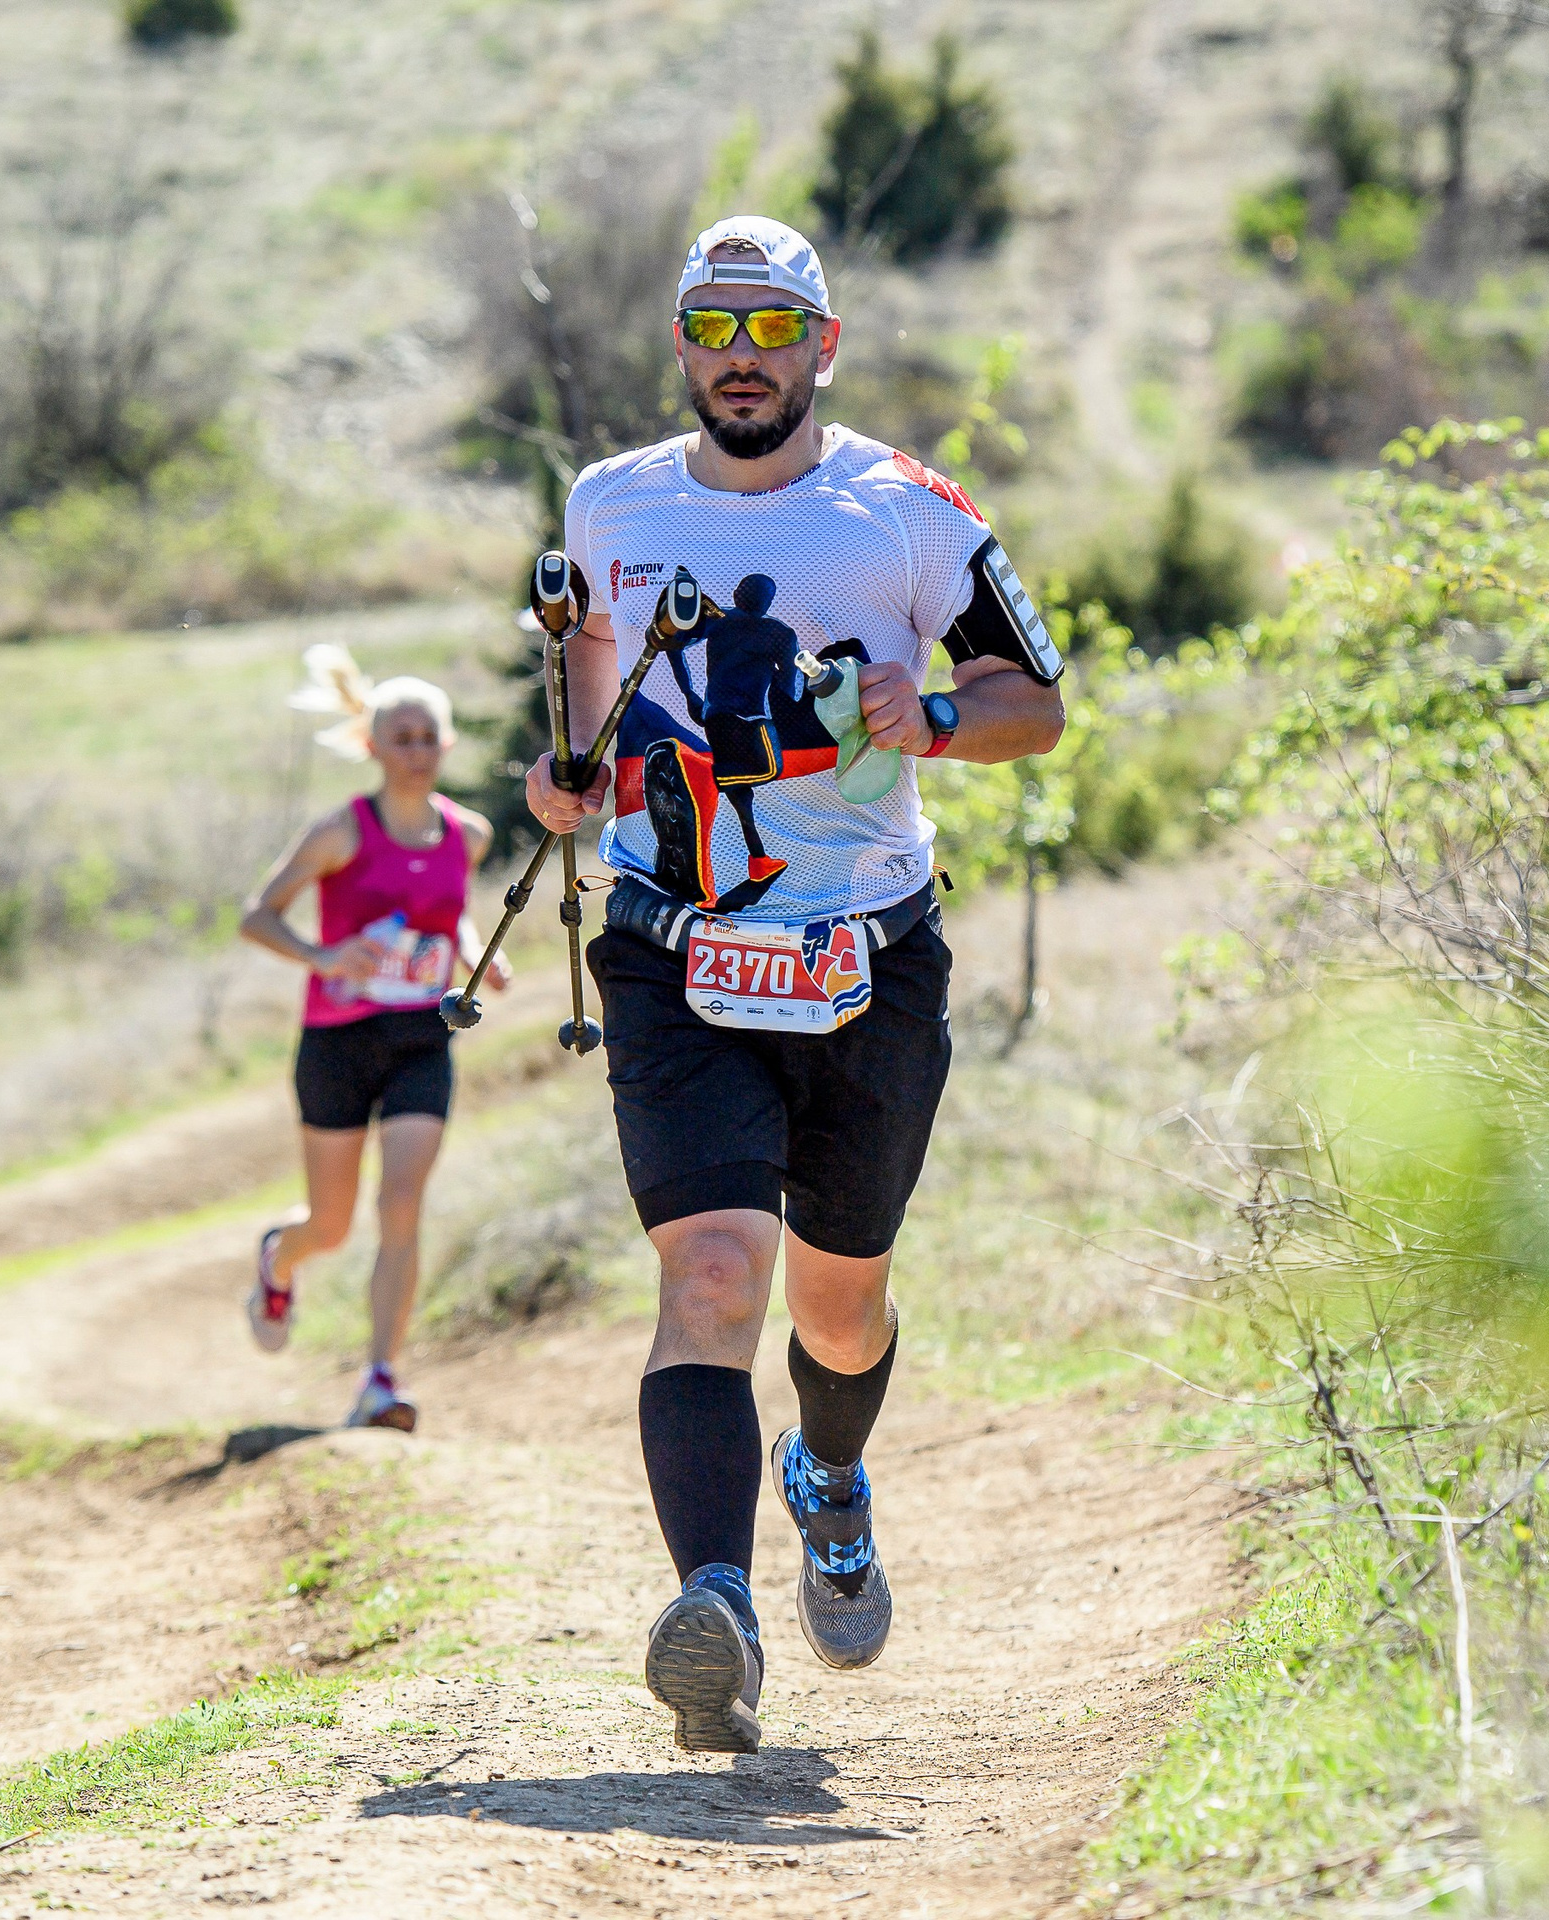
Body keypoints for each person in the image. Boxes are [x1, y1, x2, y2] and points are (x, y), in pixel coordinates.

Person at [526, 216, 1067, 1751]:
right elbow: (591, 696)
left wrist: (939, 712)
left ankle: (828, 1481)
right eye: (717, 329)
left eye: (775, 332)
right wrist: (566, 782)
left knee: (838, 1311)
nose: (743, 359)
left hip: (866, 954)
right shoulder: (612, 500)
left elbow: (1039, 703)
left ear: (824, 349)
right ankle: (719, 1613)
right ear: (683, 348)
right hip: (671, 943)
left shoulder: (905, 513)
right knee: (708, 1278)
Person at [240, 648, 507, 1432]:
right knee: (331, 1224)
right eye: (402, 737)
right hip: (337, 1041)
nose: (417, 750)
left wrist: (474, 953)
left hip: (423, 1037)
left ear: (447, 745)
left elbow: (448, 907)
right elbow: (258, 913)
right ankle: (278, 1259)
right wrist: (324, 956)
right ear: (373, 746)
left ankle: (381, 1379)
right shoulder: (340, 833)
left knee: (402, 1204)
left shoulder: (471, 832)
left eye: (430, 736)